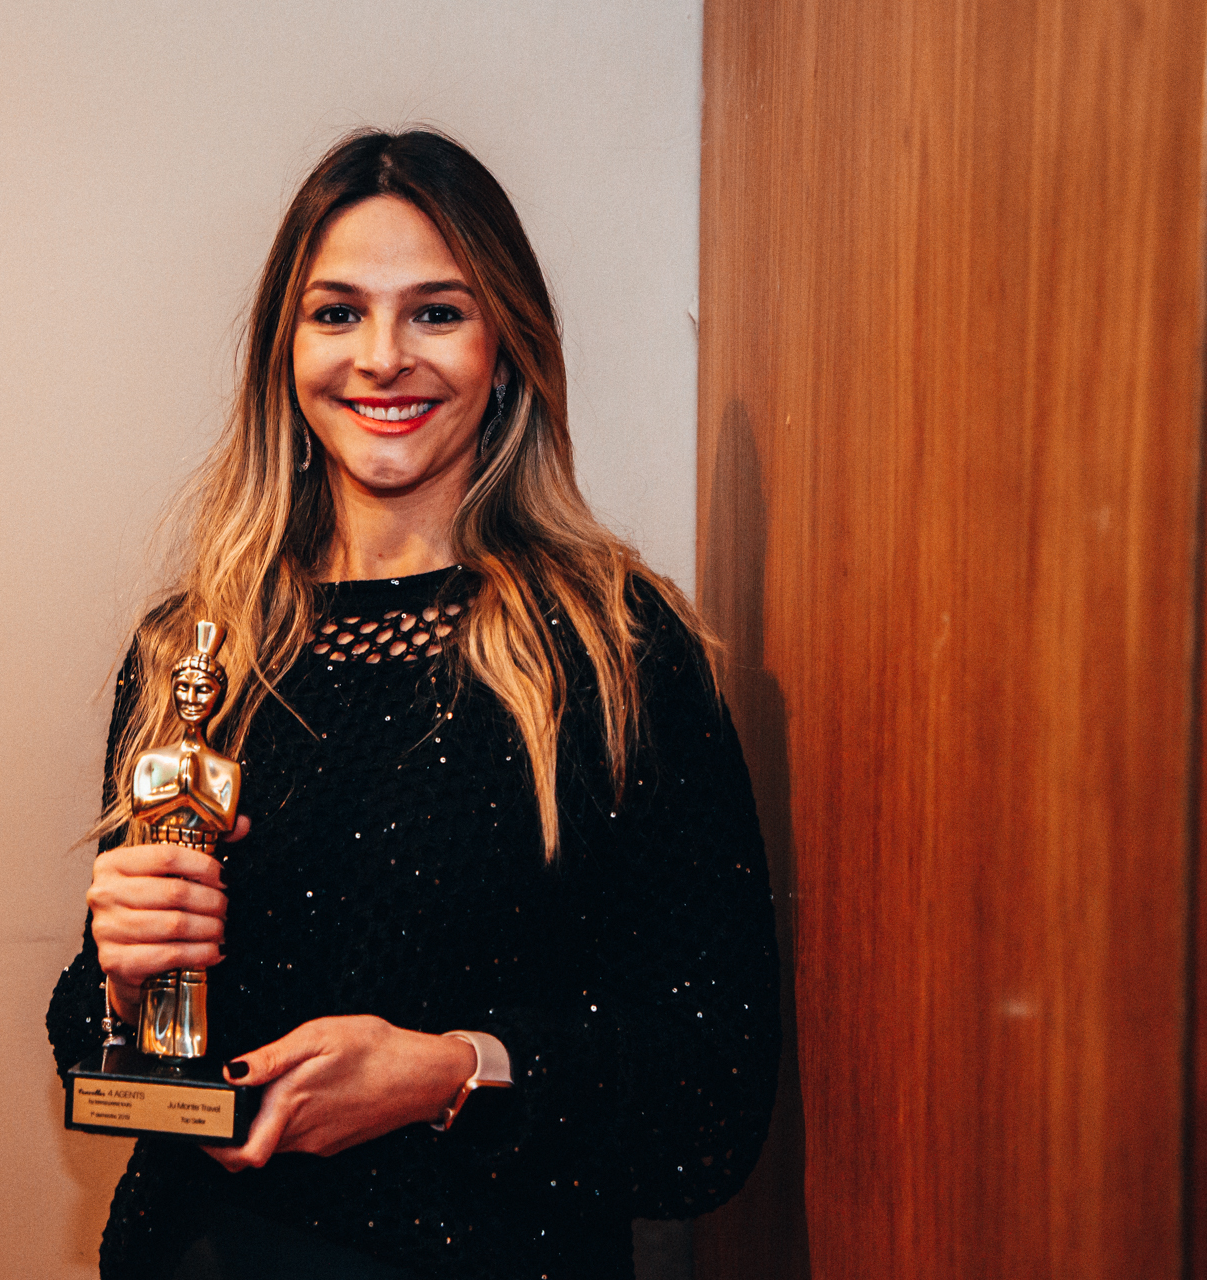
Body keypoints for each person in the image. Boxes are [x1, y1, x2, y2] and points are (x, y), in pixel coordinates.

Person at [47, 128, 779, 1279]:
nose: (383, 357)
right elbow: (100, 1047)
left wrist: (451, 1072)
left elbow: (710, 1098)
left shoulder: (617, 649)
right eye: (337, 313)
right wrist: (125, 976)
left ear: (506, 347)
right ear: (284, 351)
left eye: (437, 311)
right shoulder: (193, 649)